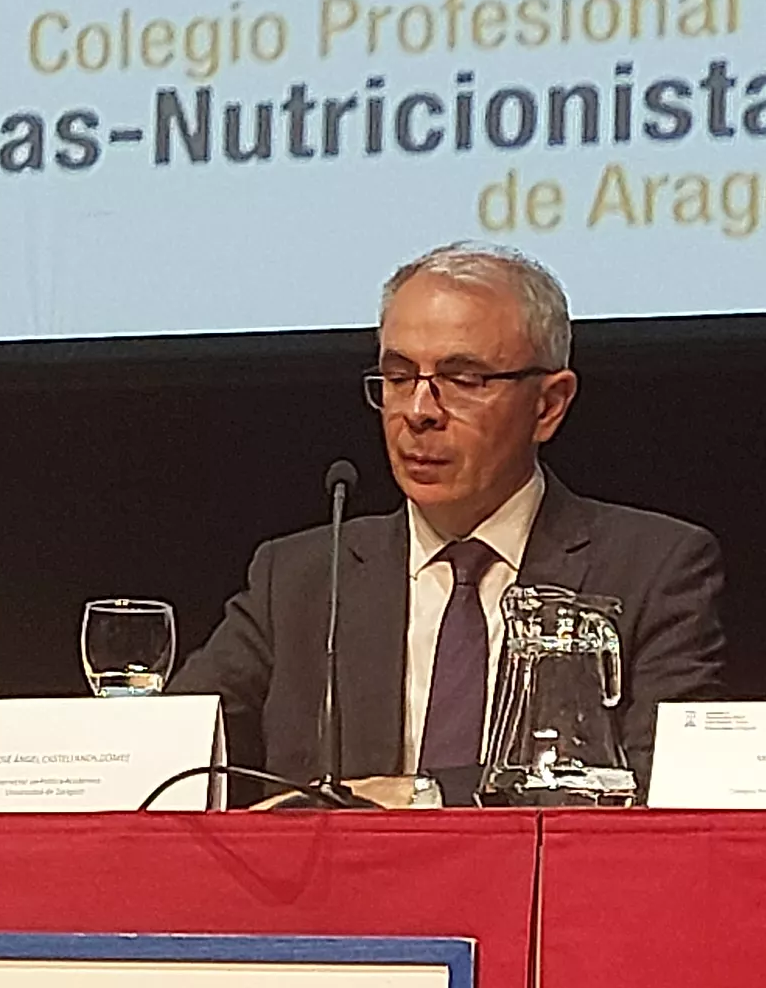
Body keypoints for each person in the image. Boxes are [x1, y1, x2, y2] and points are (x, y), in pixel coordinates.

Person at [181, 245, 724, 798]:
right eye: (397, 378)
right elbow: (175, 749)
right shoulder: (301, 577)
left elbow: (664, 779)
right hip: (336, 884)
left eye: (462, 380)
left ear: (548, 406)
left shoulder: (651, 569)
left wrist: (425, 794)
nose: (418, 411)